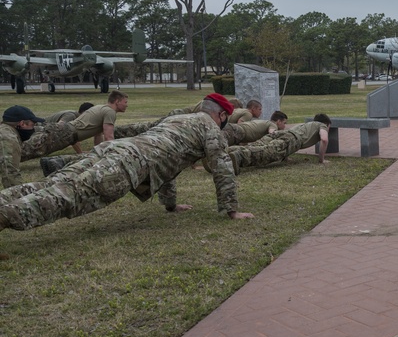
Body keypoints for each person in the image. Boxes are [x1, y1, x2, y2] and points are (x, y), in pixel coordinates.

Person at [0, 93, 253, 234]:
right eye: (225, 119)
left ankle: (5, 199)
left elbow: (171, 164)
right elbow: (222, 169)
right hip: (128, 162)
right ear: (221, 115)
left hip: (113, 149)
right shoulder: (211, 128)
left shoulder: (181, 119)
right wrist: (231, 210)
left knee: (54, 182)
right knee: (68, 196)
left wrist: (170, 205)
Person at [226, 114, 331, 172]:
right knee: (265, 153)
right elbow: (324, 139)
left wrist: (285, 157)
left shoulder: (306, 125)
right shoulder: (322, 125)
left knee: (257, 146)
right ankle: (238, 157)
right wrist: (321, 160)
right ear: (326, 124)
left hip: (281, 133)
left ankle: (227, 152)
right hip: (292, 138)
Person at [1, 106, 45, 188]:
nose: (33, 128)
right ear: (22, 124)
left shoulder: (5, 130)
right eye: (32, 125)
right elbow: (10, 174)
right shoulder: (8, 138)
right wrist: (22, 197)